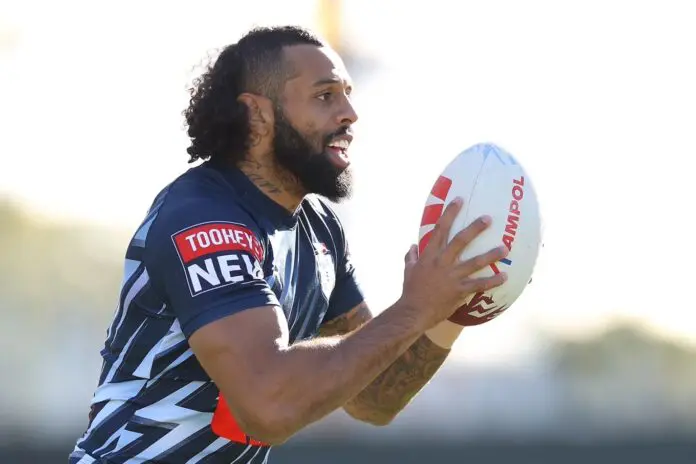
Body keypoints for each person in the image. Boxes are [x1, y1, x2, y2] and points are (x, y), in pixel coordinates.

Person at [69, 25, 509, 463]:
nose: (350, 113)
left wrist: (451, 305)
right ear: (257, 115)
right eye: (325, 96)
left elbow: (373, 397)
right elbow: (268, 406)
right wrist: (413, 309)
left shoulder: (320, 230)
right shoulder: (204, 218)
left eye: (348, 94)